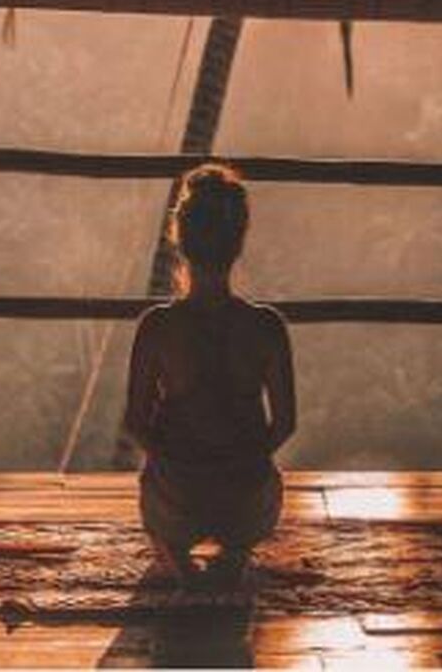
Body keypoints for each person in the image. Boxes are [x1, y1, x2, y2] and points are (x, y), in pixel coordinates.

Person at [122, 163, 297, 588]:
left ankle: (174, 549)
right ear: (238, 242)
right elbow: (285, 424)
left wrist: (180, 462)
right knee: (257, 492)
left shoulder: (157, 327)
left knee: (159, 490)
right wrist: (239, 462)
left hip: (177, 501)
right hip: (245, 503)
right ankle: (237, 549)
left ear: (179, 239)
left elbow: (136, 423)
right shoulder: (266, 327)